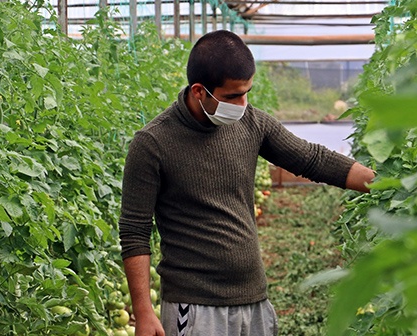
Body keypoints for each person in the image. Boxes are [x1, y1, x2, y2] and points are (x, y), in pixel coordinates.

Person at [118, 30, 375, 336]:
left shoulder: (252, 122)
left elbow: (311, 158)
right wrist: (144, 312)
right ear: (199, 91)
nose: (242, 103)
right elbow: (135, 231)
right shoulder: (153, 143)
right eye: (231, 96)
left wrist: (385, 184)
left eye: (247, 92)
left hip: (254, 301)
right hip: (196, 308)